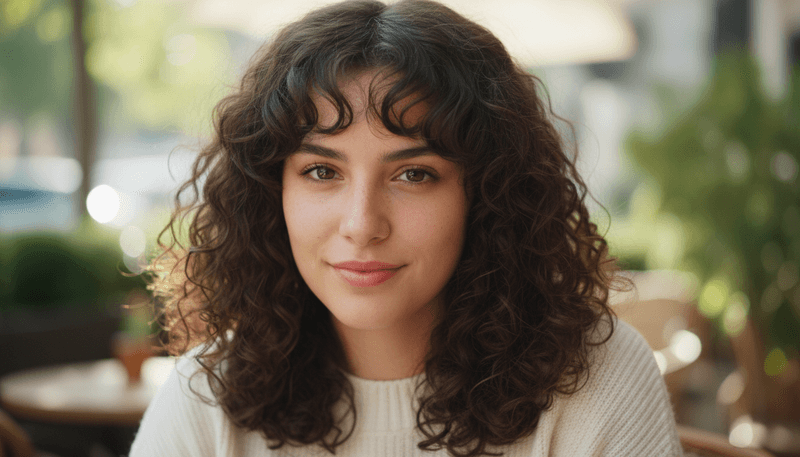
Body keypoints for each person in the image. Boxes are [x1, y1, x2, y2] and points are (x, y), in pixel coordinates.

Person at [129, 0, 683, 455]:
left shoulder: (595, 379)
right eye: (322, 171)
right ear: (271, 194)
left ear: (487, 194)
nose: (362, 223)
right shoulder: (207, 400)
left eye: (415, 174)